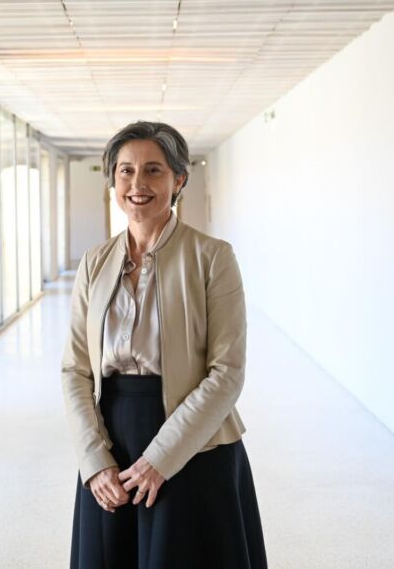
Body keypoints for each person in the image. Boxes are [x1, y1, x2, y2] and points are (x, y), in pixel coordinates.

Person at [61, 120, 268, 568]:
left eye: (153, 170)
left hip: (194, 443)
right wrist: (93, 458)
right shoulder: (94, 262)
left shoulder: (213, 257)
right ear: (113, 181)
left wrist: (160, 458)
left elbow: (227, 373)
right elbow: (75, 370)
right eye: (126, 171)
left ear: (179, 180)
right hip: (110, 443)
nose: (138, 184)